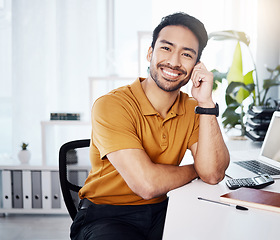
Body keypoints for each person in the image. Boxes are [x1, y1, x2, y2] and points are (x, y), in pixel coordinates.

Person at [70, 12, 230, 240]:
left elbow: (213, 174)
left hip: (162, 211)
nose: (174, 62)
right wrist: (197, 170)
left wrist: (206, 103)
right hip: (107, 215)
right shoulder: (112, 105)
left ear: (196, 65)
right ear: (150, 53)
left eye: (186, 54)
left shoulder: (194, 108)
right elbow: (147, 184)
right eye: (166, 48)